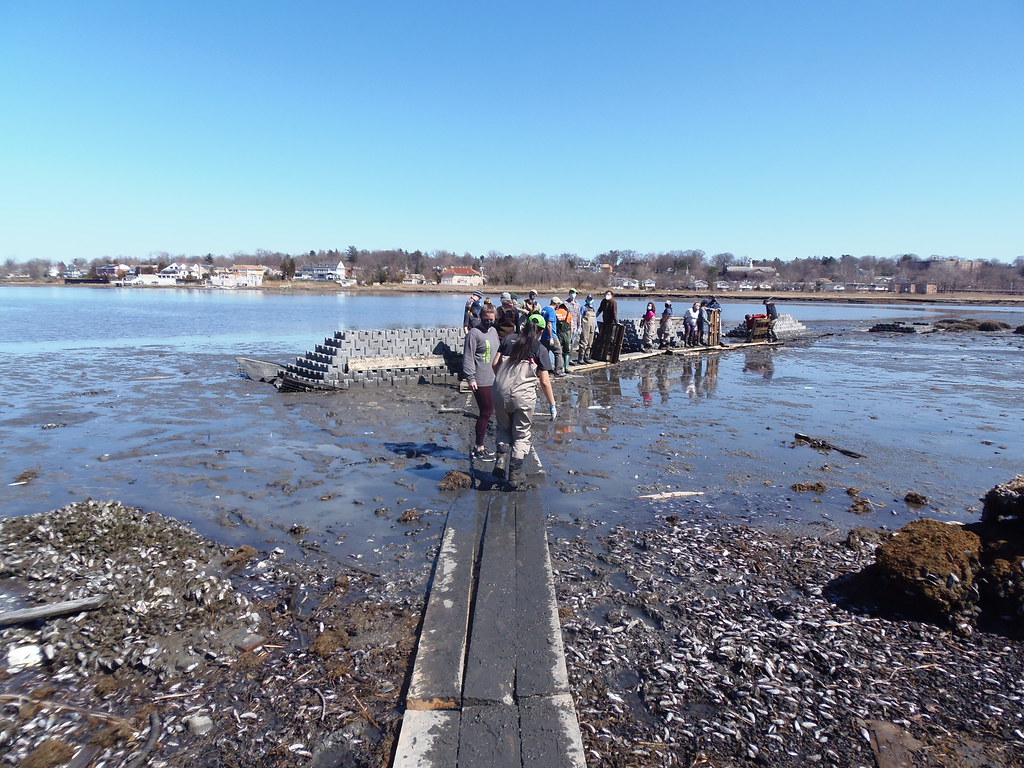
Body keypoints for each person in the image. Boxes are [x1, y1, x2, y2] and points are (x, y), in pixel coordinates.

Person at [491, 314, 557, 490]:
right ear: (541, 331)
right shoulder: (539, 349)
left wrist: (502, 380)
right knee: (521, 434)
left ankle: (500, 462)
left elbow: (494, 363)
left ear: (525, 326)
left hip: (500, 392)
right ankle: (514, 475)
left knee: (503, 428)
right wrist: (552, 404)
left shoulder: (508, 340)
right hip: (523, 397)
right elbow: (544, 382)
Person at [462, 305, 499, 458]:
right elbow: (468, 357)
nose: (489, 322)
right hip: (480, 379)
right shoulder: (473, 334)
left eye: (492, 320)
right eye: (486, 319)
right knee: (486, 412)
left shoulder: (494, 331)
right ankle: (479, 447)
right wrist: (470, 378)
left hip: (494, 378)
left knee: (492, 411)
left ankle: (482, 445)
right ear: (481, 317)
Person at [540, 298, 565, 376]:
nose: (559, 306)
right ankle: (558, 371)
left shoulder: (544, 309)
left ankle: (543, 370)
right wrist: (551, 338)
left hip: (543, 336)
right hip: (551, 335)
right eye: (558, 304)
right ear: (556, 304)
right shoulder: (552, 311)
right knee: (558, 352)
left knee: (544, 354)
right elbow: (549, 324)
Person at [554, 298, 573, 371]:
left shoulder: (556, 312)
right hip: (567, 334)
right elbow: (571, 326)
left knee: (559, 350)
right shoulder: (568, 314)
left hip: (559, 333)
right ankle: (566, 367)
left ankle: (559, 367)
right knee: (567, 351)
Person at [577, 295, 597, 363]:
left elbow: (595, 319)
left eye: (591, 299)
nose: (590, 300)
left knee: (590, 343)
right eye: (588, 299)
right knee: (583, 342)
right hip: (585, 327)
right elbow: (580, 317)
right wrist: (579, 327)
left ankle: (587, 357)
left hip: (592, 327)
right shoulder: (583, 308)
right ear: (586, 300)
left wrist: (596, 327)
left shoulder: (593, 309)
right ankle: (580, 358)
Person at [565, 289, 583, 355]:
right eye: (572, 293)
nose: (573, 294)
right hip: (567, 327)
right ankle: (564, 357)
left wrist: (579, 327)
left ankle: (570, 357)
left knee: (572, 343)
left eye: (574, 293)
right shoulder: (565, 303)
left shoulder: (577, 304)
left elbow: (579, 316)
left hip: (575, 327)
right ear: (569, 294)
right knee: (566, 343)